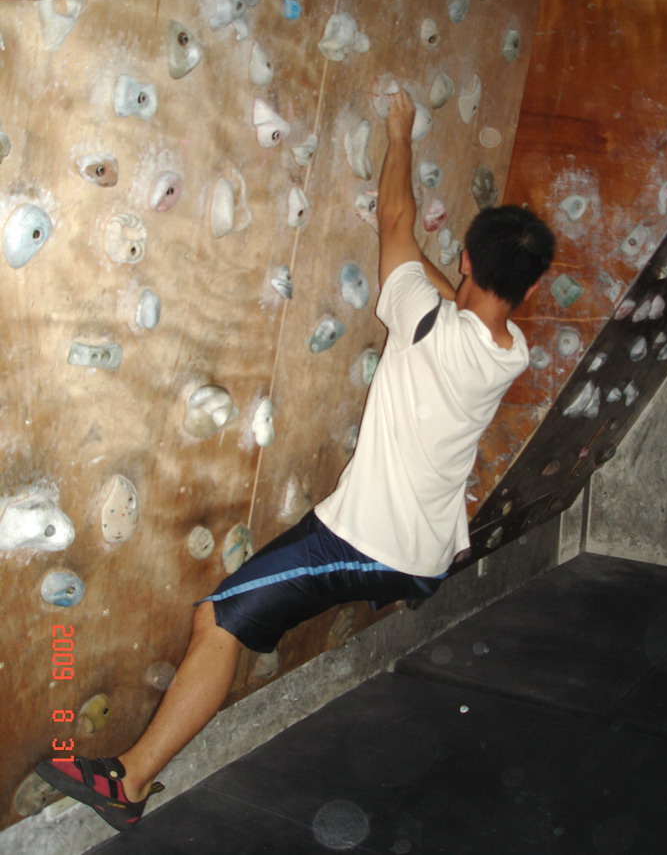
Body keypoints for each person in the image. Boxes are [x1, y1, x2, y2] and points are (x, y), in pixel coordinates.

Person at [36, 91, 555, 831]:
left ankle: (129, 783)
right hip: (426, 548)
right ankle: (134, 775)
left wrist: (400, 131)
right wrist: (448, 266)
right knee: (232, 617)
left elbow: (397, 220)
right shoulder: (510, 350)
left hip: (363, 543)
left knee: (218, 619)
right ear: (530, 288)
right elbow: (450, 291)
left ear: (467, 259)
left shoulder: (428, 318)